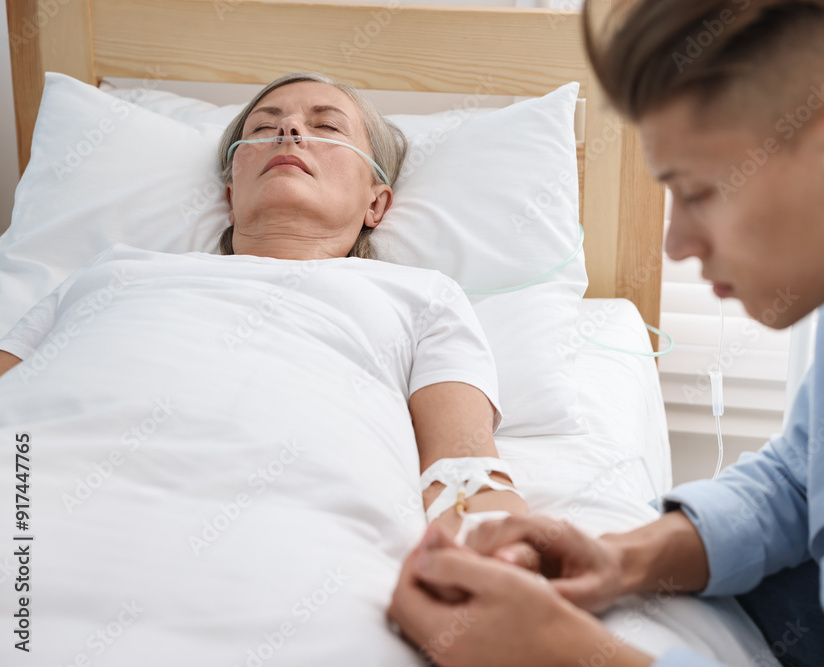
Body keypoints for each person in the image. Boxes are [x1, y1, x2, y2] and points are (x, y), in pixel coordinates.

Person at [387, 1, 824, 666]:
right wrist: (620, 556)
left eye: (701, 191)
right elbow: (803, 484)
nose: (676, 243)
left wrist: (565, 653)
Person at [0, 72, 537, 663]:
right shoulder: (111, 271)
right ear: (231, 193)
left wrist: (507, 571)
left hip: (292, 564)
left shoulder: (421, 295)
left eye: (326, 125)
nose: (290, 130)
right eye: (263, 127)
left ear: (376, 202)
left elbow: (464, 467)